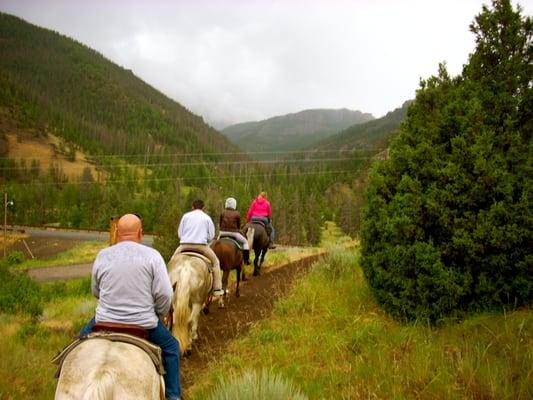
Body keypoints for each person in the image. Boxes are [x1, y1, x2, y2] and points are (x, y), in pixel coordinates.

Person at [79, 213, 181, 400]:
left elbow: (95, 290)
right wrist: (158, 312)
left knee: (77, 344)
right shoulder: (153, 257)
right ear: (140, 233)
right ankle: (173, 396)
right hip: (143, 324)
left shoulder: (103, 255)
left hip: (103, 322)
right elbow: (165, 295)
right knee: (172, 347)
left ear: (117, 232)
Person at [175, 199, 224, 296]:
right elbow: (211, 235)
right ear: (203, 208)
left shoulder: (186, 216)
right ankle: (217, 288)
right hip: (201, 246)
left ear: (192, 207)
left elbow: (180, 233)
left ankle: (168, 285)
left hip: (184, 245)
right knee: (216, 262)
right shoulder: (207, 218)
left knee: (172, 261)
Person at [219, 197, 250, 265]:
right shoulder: (237, 213)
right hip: (233, 233)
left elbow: (220, 224)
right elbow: (238, 226)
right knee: (245, 242)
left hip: (222, 233)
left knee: (216, 243)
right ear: (234, 205)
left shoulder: (222, 212)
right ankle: (246, 260)